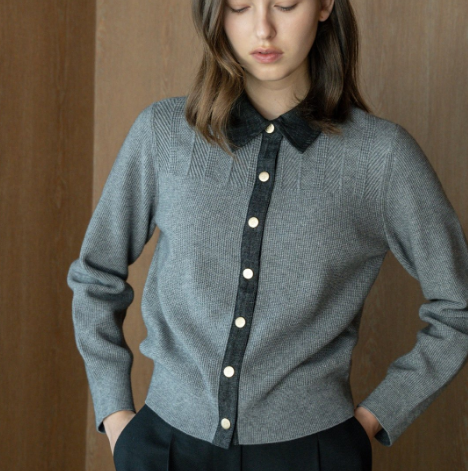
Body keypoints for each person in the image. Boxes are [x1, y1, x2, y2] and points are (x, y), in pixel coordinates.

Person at [67, 0, 468, 470]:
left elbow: (458, 308)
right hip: (166, 447)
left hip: (312, 453)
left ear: (324, 5)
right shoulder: (163, 134)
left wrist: (372, 419)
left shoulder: (381, 158)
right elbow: (96, 277)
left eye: (285, 3)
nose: (263, 28)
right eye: (239, 5)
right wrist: (116, 415)